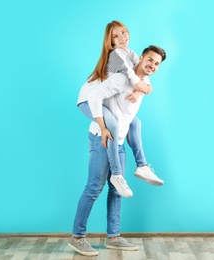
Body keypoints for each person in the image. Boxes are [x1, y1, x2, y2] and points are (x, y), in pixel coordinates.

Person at [68, 45, 167, 256]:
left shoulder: (145, 82)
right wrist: (103, 127)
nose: (152, 65)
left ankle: (113, 237)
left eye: (157, 64)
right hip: (101, 138)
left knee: (116, 191)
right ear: (140, 58)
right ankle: (77, 238)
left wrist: (141, 88)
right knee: (94, 187)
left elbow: (135, 108)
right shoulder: (121, 78)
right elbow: (94, 96)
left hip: (119, 142)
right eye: (149, 60)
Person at [77, 20, 163, 198]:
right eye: (115, 36)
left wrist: (140, 91)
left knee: (135, 122)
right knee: (113, 126)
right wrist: (102, 127)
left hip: (99, 97)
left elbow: (141, 75)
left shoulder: (130, 53)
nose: (122, 37)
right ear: (111, 42)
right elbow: (132, 76)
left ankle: (142, 165)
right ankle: (116, 174)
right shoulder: (116, 54)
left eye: (123, 32)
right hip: (87, 99)